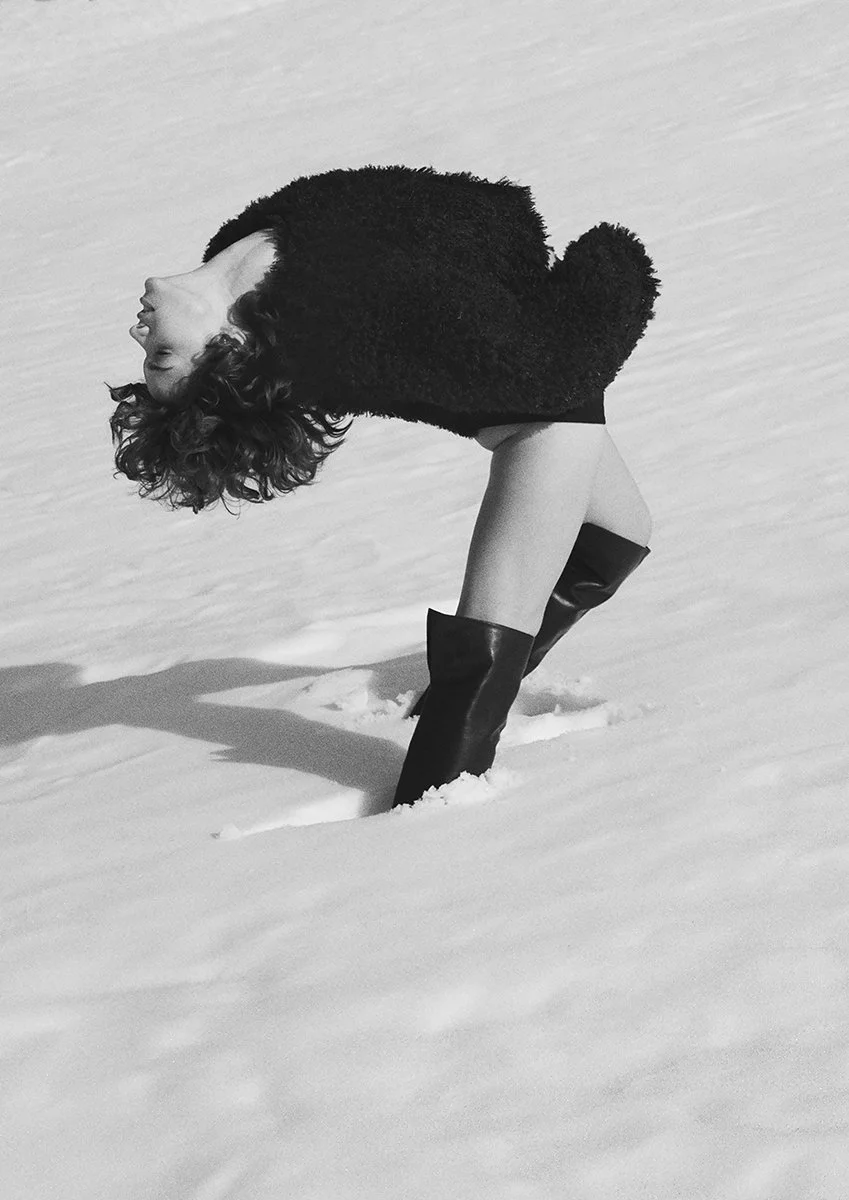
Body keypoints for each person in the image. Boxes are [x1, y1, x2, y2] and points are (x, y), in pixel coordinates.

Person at [110, 164, 660, 808]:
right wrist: (612, 271)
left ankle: (441, 705)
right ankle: (434, 810)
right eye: (161, 357)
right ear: (228, 345)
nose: (138, 334)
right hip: (536, 408)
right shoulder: (325, 316)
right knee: (484, 656)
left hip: (518, 370)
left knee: (622, 534)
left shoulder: (234, 256)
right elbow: (550, 361)